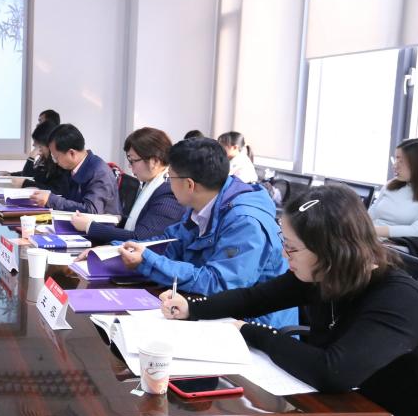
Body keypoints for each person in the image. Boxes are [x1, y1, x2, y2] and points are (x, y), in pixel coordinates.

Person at [152, 185, 418, 416]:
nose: (285, 255)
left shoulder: (397, 299)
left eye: (292, 248)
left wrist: (253, 332)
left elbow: (332, 372)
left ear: (330, 251)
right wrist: (192, 308)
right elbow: (255, 298)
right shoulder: (326, 275)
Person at [117, 137, 295, 328]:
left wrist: (147, 260)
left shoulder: (246, 223)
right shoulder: (204, 203)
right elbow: (171, 242)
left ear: (189, 185)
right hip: (210, 310)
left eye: (170, 178)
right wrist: (119, 250)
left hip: (252, 326)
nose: (169, 184)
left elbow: (219, 284)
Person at [73, 127, 184, 242]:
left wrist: (89, 226)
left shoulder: (169, 193)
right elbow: (142, 222)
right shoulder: (152, 184)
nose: (130, 166)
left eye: (132, 160)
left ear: (155, 161)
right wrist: (118, 220)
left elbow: (140, 238)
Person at [29, 124, 120, 215]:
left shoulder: (99, 172)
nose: (55, 162)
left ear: (72, 153)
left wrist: (51, 200)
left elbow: (91, 211)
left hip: (100, 223)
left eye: (56, 157)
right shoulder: (73, 167)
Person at [17, 120, 69, 196]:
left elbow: (57, 191)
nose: (35, 146)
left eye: (39, 145)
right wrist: (31, 158)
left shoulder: (59, 163)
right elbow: (30, 177)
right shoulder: (45, 160)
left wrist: (26, 183)